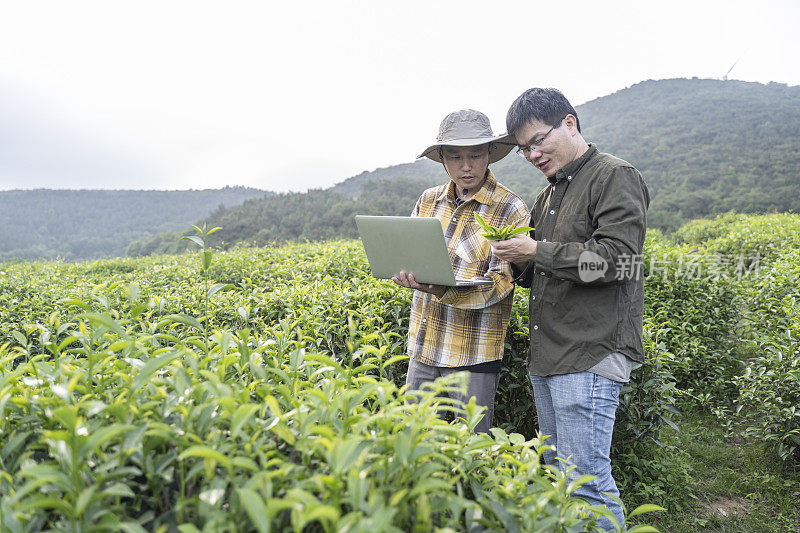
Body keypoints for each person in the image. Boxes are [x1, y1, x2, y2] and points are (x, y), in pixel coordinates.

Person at [489, 88, 650, 530]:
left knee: (586, 483)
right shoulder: (546, 197)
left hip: (590, 352)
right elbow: (543, 270)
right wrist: (516, 260)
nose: (533, 154)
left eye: (539, 140)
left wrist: (537, 251)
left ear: (570, 123)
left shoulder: (614, 176)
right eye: (524, 148)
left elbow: (617, 261)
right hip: (551, 355)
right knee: (562, 480)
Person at [391, 109, 529, 434]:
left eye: (475, 155)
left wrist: (442, 289)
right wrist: (405, 273)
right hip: (424, 350)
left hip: (473, 356)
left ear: (489, 154)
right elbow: (410, 256)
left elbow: (499, 286)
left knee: (475, 453)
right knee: (417, 445)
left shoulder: (511, 209)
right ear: (442, 157)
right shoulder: (428, 202)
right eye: (455, 156)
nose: (465, 166)